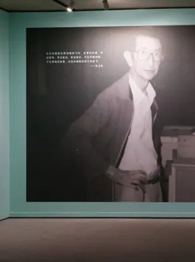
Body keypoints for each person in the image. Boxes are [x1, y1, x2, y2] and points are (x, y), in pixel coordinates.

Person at [63, 28, 165, 202]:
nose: (150, 61)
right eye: (143, 53)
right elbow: (74, 137)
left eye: (156, 54)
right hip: (128, 189)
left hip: (154, 186)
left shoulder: (152, 96)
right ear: (129, 58)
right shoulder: (112, 97)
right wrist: (113, 173)